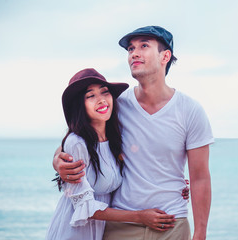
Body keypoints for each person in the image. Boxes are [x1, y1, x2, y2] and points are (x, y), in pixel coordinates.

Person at [54, 26, 214, 240]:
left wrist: (200, 233)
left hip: (172, 223)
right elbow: (80, 137)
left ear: (165, 56)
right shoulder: (117, 106)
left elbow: (200, 177)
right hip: (120, 226)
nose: (134, 53)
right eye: (130, 49)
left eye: (144, 46)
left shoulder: (190, 110)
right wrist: (58, 161)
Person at [46, 68, 176, 240]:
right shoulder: (77, 142)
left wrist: (174, 185)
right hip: (73, 232)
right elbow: (85, 207)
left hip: (103, 232)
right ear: (80, 104)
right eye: (90, 96)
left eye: (104, 93)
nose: (101, 100)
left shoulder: (115, 137)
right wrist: (140, 217)